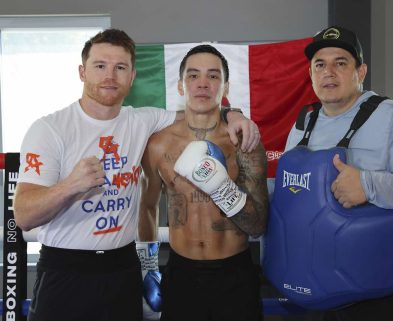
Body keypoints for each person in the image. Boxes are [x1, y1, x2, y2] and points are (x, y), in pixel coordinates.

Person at [13, 29, 261, 321]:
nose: (110, 76)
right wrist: (69, 186)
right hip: (66, 268)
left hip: (123, 268)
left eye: (120, 68)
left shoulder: (143, 121)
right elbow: (24, 216)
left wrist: (234, 114)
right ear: (82, 72)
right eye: (100, 66)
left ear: (132, 77)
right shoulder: (50, 129)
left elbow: (203, 109)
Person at [283, 26, 393, 321]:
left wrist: (368, 184)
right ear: (310, 74)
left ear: (361, 71)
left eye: (341, 63)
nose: (329, 72)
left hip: (379, 296)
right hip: (315, 291)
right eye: (319, 64)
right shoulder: (303, 124)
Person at [138, 44, 269, 321]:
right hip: (181, 274)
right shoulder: (158, 145)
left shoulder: (244, 141)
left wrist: (222, 188)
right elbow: (148, 205)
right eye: (193, 75)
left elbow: (258, 225)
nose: (202, 84)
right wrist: (148, 265)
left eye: (213, 76)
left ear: (226, 87)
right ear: (180, 86)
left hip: (235, 275)